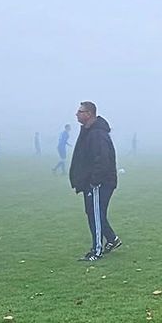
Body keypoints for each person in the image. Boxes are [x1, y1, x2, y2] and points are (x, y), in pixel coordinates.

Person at [68, 102, 121, 261]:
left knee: (96, 214)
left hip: (100, 182)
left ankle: (96, 251)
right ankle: (112, 239)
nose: (77, 114)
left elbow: (103, 158)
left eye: (80, 111)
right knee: (93, 213)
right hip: (91, 181)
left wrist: (94, 181)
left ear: (89, 113)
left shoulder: (97, 133)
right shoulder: (88, 131)